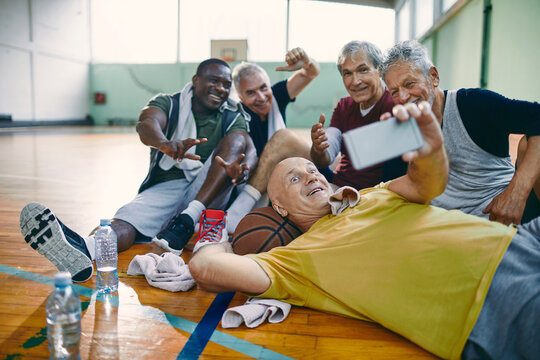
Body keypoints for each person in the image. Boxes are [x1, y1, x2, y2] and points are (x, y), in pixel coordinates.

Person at [188, 102, 539, 360]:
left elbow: (427, 183)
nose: (311, 176)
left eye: (312, 169)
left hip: (523, 239)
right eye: (294, 178)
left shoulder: (371, 194)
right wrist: (219, 235)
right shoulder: (292, 263)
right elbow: (205, 268)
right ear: (278, 208)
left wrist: (430, 150)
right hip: (491, 301)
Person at [19, 58, 256, 282]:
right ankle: (84, 248)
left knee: (238, 140)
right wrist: (164, 143)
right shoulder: (170, 102)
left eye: (226, 84)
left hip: (209, 192)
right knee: (124, 224)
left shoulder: (232, 114)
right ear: (196, 80)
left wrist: (239, 172)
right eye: (214, 80)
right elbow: (146, 123)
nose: (221, 89)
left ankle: (187, 219)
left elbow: (244, 146)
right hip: (168, 184)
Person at [380, 40, 540, 225]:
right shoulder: (399, 130)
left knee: (528, 143)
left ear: (433, 77)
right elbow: (393, 187)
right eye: (394, 92)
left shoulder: (473, 104)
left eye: (409, 84)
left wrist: (516, 193)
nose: (403, 97)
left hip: (506, 216)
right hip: (455, 233)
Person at [224, 47, 322, 232]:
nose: (261, 97)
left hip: (298, 177)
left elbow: (312, 72)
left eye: (263, 88)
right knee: (284, 139)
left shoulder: (277, 96)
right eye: (251, 93)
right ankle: (238, 212)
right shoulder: (237, 117)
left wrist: (307, 63)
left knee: (287, 139)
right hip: (266, 188)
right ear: (240, 97)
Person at [310, 40, 407, 190]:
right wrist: (319, 148)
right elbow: (326, 157)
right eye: (347, 73)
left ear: (379, 70)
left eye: (363, 70)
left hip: (372, 196)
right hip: (338, 184)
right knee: (287, 146)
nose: (355, 81)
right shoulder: (344, 105)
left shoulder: (395, 106)